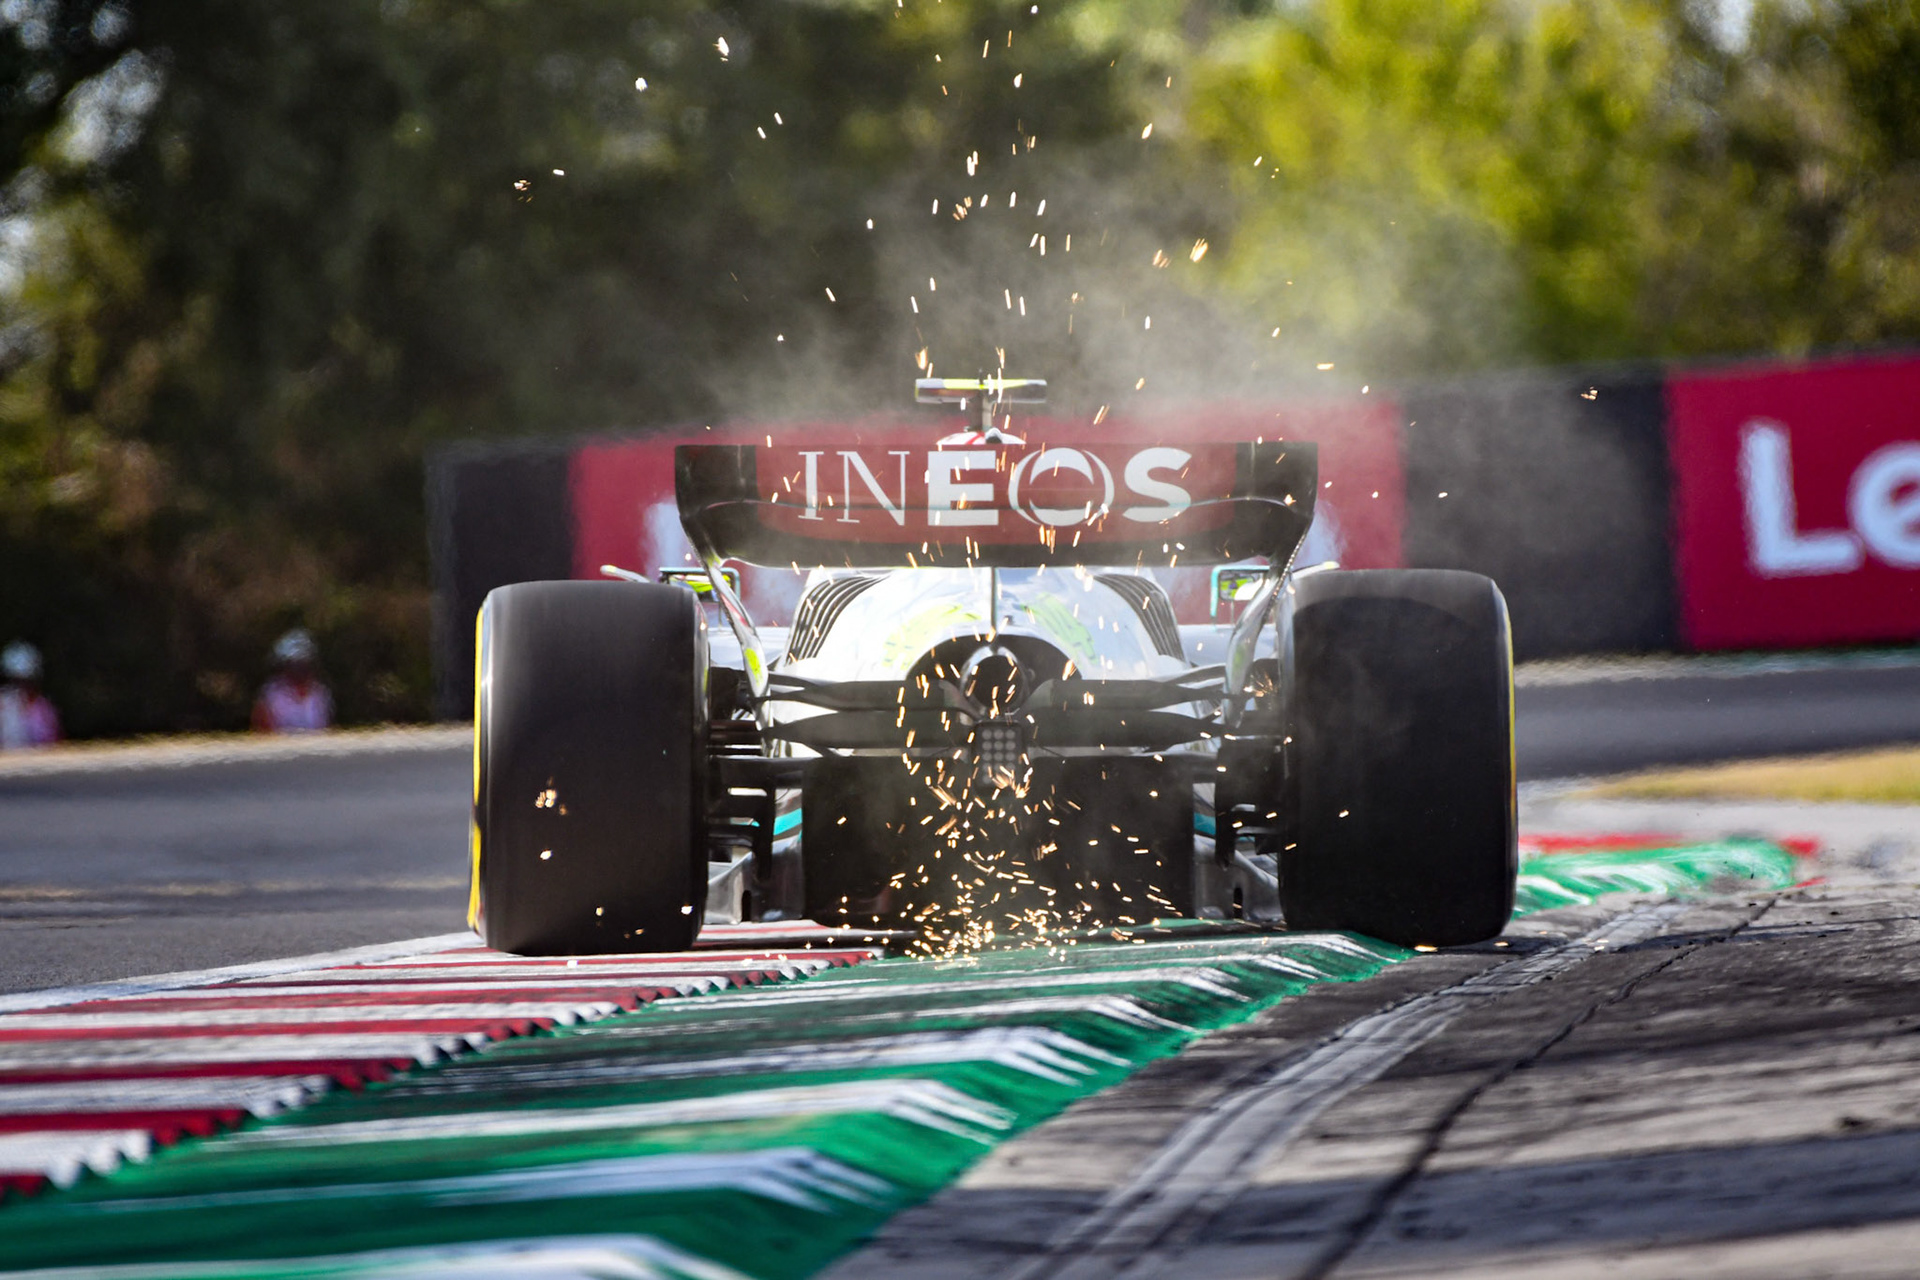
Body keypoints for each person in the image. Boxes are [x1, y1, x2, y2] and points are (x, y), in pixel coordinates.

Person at [252, 629, 333, 733]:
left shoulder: (320, 695)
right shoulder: (271, 697)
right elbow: (263, 733)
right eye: (294, 665)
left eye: (304, 665)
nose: (299, 671)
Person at [0, 641, 61, 750]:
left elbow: (54, 742)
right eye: (16, 680)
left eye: (27, 680)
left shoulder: (44, 709)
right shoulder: (3, 705)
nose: (22, 686)